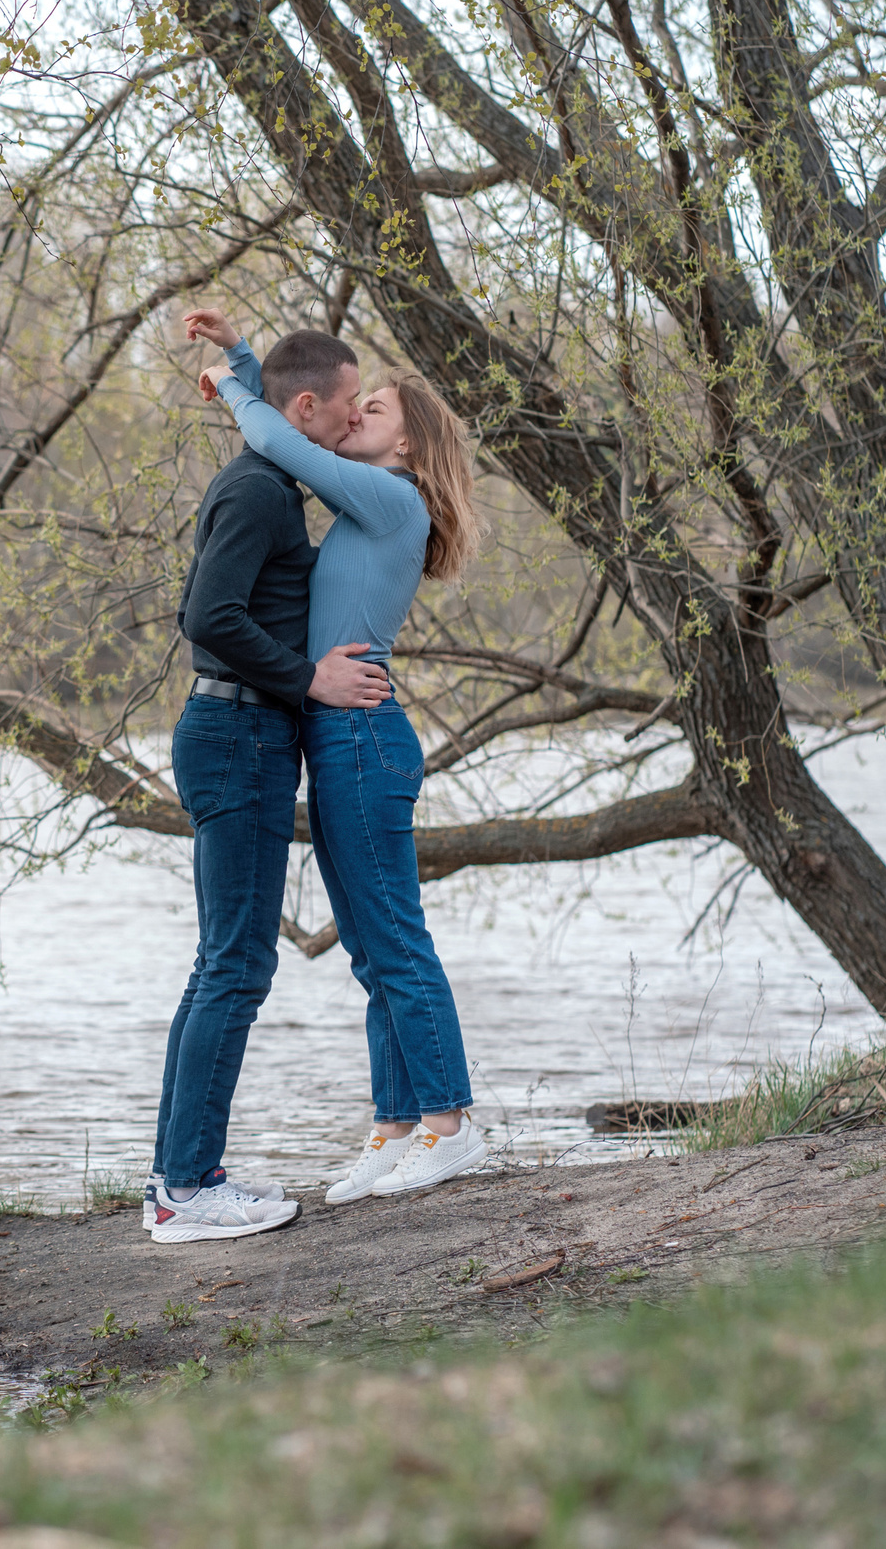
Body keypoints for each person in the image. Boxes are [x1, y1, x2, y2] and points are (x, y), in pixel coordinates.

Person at [187, 309, 491, 1203]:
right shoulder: (371, 499)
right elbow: (300, 413)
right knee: (367, 945)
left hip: (362, 739)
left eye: (377, 410)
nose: (356, 416)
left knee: (393, 936)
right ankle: (396, 1128)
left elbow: (285, 437)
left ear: (410, 444)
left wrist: (234, 380)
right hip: (339, 738)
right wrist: (245, 356)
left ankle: (451, 1124)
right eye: (358, 404)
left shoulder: (394, 498)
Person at [142, 327, 392, 1244]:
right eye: (349, 403)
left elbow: (198, 606)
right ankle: (186, 1189)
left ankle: (179, 1177)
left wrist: (239, 360)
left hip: (238, 731)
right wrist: (307, 677)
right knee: (238, 965)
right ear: (307, 408)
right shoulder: (257, 489)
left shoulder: (265, 482)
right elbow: (206, 617)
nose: (354, 419)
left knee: (221, 962)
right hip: (239, 732)